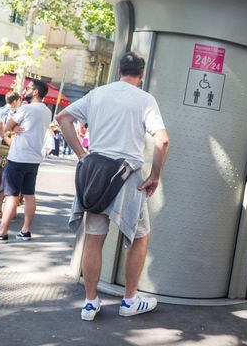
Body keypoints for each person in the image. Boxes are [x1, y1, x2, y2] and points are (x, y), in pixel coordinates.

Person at [56, 52, 169, 322]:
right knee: (139, 237)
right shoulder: (145, 100)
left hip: (95, 173)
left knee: (94, 239)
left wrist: (82, 155)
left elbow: (62, 118)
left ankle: (90, 302)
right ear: (142, 74)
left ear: (118, 70)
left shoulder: (98, 93)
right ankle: (129, 299)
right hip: (127, 175)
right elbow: (162, 141)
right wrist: (154, 175)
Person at [0, 79, 52, 243]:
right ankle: (25, 230)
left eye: (29, 87)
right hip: (33, 158)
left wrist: (13, 128)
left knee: (11, 195)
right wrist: (15, 128)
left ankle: (2, 233)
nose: (26, 89)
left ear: (36, 92)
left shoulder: (26, 108)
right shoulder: (47, 111)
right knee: (29, 194)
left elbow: (8, 126)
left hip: (18, 156)